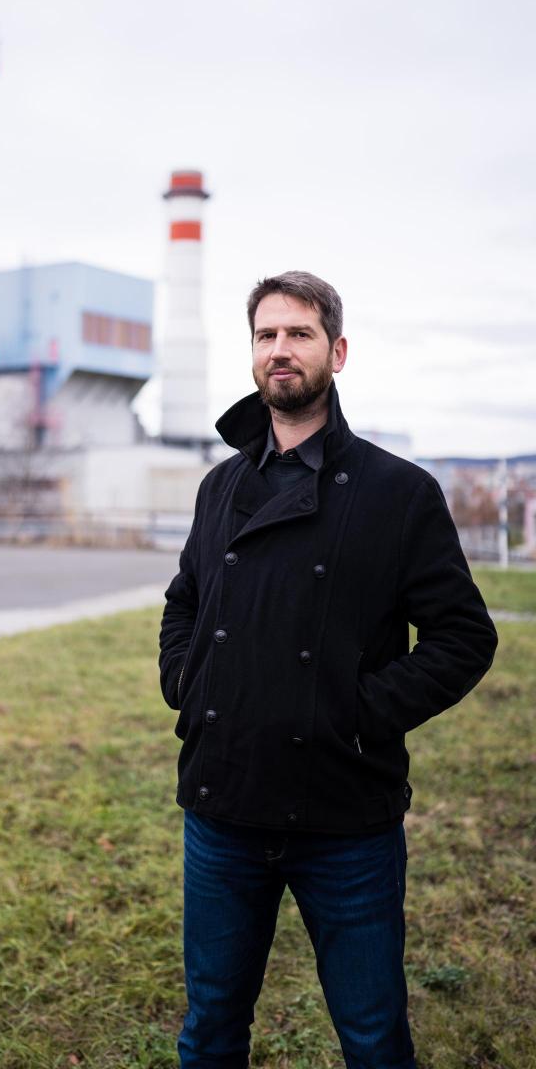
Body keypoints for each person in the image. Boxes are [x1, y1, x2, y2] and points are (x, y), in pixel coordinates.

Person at [158, 271, 497, 1069]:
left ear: (336, 353)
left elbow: (462, 636)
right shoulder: (220, 486)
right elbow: (185, 601)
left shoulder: (399, 492)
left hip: (346, 818)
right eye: (266, 335)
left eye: (299, 334)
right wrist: (187, 684)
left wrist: (358, 712)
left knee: (374, 1038)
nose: (281, 349)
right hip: (223, 807)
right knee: (210, 1030)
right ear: (253, 353)